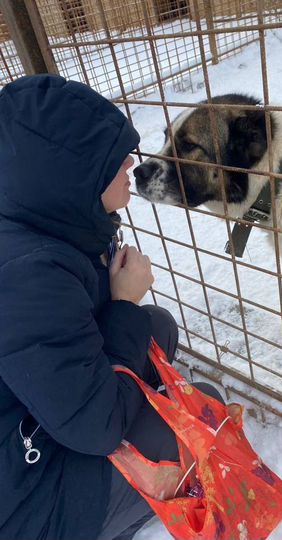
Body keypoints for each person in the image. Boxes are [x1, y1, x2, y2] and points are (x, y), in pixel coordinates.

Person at [0, 74, 223, 540]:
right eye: (110, 159)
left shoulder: (42, 222)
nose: (129, 163)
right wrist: (121, 301)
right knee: (208, 415)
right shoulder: (29, 275)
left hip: (44, 414)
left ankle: (143, 422)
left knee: (156, 326)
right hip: (29, 497)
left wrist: (122, 304)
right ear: (70, 178)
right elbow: (95, 426)